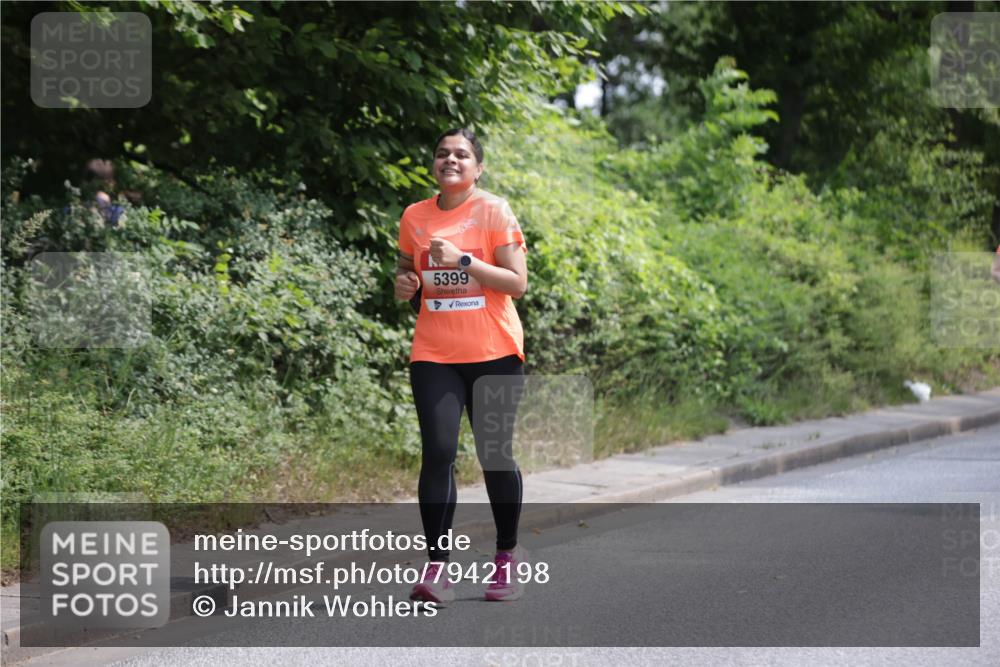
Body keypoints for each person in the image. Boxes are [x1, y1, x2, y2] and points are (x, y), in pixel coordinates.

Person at [394, 128, 529, 603]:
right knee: (438, 453)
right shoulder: (414, 216)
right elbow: (411, 275)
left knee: (494, 456)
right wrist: (406, 286)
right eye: (442, 154)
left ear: (478, 166)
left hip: (494, 351)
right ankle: (437, 569)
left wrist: (465, 259)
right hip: (434, 353)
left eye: (461, 154)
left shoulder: (493, 210)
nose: (450, 160)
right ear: (434, 164)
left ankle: (506, 560)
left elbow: (517, 284)